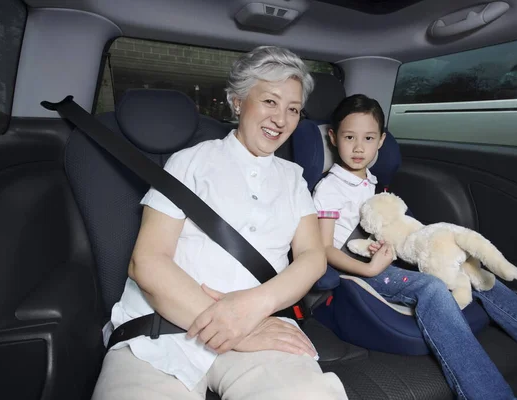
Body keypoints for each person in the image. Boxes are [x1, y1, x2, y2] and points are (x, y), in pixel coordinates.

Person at [91, 46, 348, 400]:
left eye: (292, 109)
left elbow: (312, 257)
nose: (281, 119)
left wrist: (254, 307)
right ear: (238, 101)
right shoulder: (189, 163)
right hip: (162, 330)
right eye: (270, 102)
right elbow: (147, 262)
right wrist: (232, 327)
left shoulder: (294, 179)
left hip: (263, 327)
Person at [313, 93, 517, 399]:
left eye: (368, 138)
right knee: (432, 288)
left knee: (470, 268)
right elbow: (323, 249)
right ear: (333, 138)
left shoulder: (370, 181)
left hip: (382, 259)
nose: (359, 147)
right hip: (358, 272)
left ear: (381, 141)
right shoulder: (330, 188)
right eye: (349, 137)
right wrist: (368, 266)